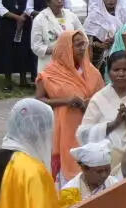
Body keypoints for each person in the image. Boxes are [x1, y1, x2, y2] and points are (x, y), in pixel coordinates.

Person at [36, 30, 104, 181]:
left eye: (84, 44)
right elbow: (39, 100)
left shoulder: (92, 72)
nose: (83, 48)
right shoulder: (50, 73)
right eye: (78, 45)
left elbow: (103, 97)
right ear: (66, 48)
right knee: (67, 172)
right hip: (64, 129)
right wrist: (65, 101)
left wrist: (90, 103)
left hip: (89, 128)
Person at [79, 51, 126, 176]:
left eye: (125, 69)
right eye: (116, 70)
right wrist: (114, 124)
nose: (121, 74)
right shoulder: (99, 99)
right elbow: (83, 134)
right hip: (105, 165)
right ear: (108, 72)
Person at [31, 0, 83, 76]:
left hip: (71, 63)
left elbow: (83, 35)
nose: (60, 1)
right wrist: (55, 50)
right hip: (49, 65)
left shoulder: (71, 16)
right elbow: (36, 46)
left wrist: (75, 47)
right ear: (48, 1)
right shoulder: (40, 19)